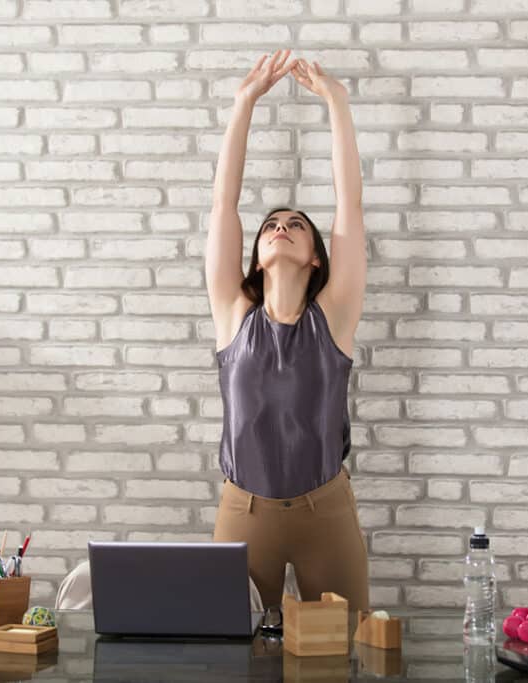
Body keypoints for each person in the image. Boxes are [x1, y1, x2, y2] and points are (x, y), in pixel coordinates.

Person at [206, 49, 369, 613]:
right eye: (271, 225)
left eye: (296, 224)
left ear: (316, 257)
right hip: (243, 511)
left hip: (327, 512)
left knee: (344, 649)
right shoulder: (233, 314)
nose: (280, 228)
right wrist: (243, 103)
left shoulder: (335, 317)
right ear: (255, 256)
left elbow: (350, 207)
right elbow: (223, 205)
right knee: (229, 650)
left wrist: (337, 102)